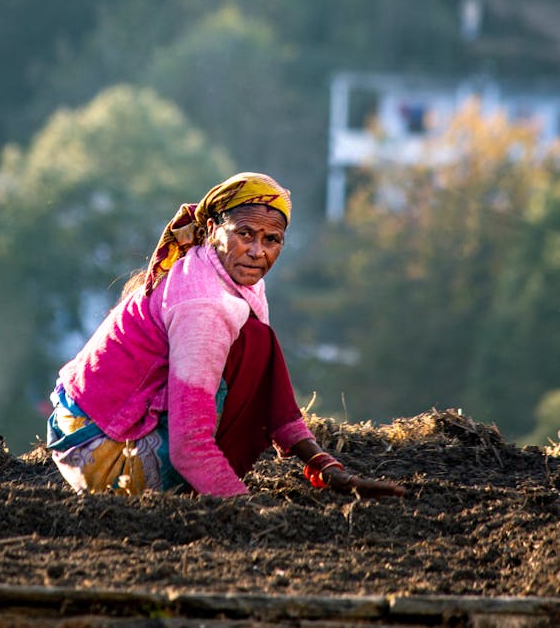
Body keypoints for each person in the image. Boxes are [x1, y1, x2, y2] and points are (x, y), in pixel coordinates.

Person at [47, 172, 405, 500]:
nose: (257, 251)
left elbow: (268, 382)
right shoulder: (204, 305)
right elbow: (189, 448)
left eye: (271, 239)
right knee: (253, 343)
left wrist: (325, 465)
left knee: (255, 341)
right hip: (103, 456)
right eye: (244, 233)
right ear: (213, 229)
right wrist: (242, 507)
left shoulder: (229, 276)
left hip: (94, 424)